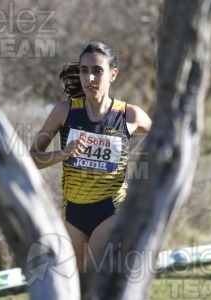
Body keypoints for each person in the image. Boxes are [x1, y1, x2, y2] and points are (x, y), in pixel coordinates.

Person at [29, 41, 152, 270]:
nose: (90, 78)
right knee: (78, 284)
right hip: (73, 212)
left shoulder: (129, 114)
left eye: (97, 71)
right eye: (84, 71)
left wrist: (146, 180)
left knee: (95, 273)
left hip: (112, 208)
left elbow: (164, 139)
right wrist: (62, 153)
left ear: (113, 75)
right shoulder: (64, 112)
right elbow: (32, 158)